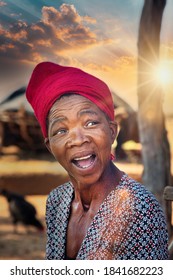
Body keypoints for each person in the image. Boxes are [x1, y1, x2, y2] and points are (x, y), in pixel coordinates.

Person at [26, 61, 169, 260]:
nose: (78, 139)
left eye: (90, 123)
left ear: (112, 132)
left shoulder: (140, 210)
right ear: (50, 146)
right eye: (62, 130)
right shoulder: (57, 201)